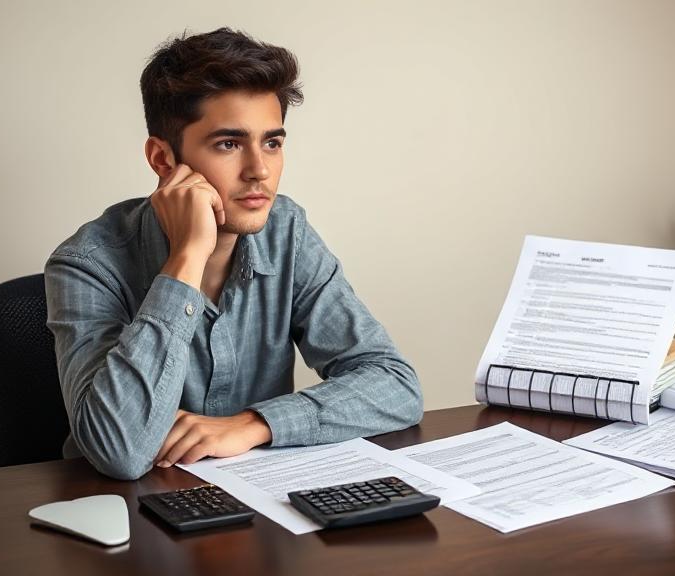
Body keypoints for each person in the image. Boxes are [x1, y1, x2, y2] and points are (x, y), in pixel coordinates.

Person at [44, 28, 422, 480]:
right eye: (229, 144)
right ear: (164, 161)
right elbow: (119, 451)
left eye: (272, 142)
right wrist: (187, 257)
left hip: (256, 502)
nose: (259, 170)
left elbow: (396, 386)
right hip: (127, 517)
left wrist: (255, 424)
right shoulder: (87, 264)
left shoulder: (287, 232)